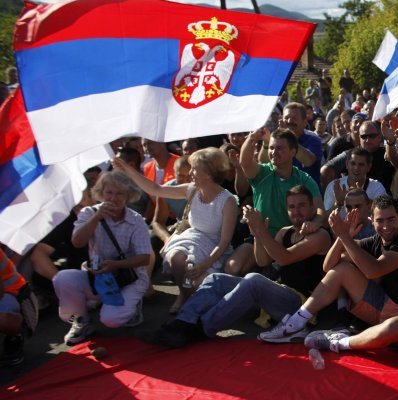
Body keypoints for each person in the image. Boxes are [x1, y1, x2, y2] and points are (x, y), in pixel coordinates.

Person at [145, 185, 333, 348]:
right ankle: (182, 322)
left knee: (254, 280)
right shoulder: (284, 232)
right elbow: (263, 261)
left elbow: (284, 258)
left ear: (311, 208)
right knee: (215, 279)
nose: (297, 211)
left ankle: (200, 328)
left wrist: (260, 229)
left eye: (301, 206)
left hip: (301, 305)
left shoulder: (320, 236)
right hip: (276, 296)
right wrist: (258, 234)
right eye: (292, 207)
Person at [262, 195, 398, 353]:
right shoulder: (374, 241)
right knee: (342, 269)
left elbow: (374, 270)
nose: (386, 226)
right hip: (382, 305)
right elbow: (329, 267)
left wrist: (344, 236)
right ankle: (295, 324)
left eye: (391, 219)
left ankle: (338, 343)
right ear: (372, 221)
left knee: (395, 327)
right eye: (380, 220)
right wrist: (343, 237)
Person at [114, 148, 239, 314]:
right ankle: (183, 294)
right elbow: (155, 189)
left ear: (208, 173)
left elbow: (224, 242)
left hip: (214, 249)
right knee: (175, 257)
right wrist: (127, 170)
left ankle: (196, 300)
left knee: (199, 283)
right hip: (192, 238)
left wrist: (203, 265)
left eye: (195, 168)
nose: (191, 172)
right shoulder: (192, 189)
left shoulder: (228, 201)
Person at [54, 171, 151, 345]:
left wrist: (115, 265)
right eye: (109, 192)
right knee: (63, 278)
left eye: (120, 193)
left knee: (111, 320)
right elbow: (77, 242)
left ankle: (133, 307)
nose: (113, 198)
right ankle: (81, 320)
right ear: (101, 193)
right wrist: (97, 218)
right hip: (98, 276)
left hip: (128, 278)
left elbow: (144, 258)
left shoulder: (136, 221)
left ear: (128, 196)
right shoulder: (88, 213)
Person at [227, 127, 322, 276]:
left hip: (289, 240)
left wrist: (314, 223)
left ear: (293, 152)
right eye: (271, 147)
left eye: (279, 148)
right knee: (233, 267)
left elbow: (320, 210)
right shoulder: (261, 173)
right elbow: (245, 162)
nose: (273, 152)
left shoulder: (304, 180)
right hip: (259, 235)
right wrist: (252, 138)